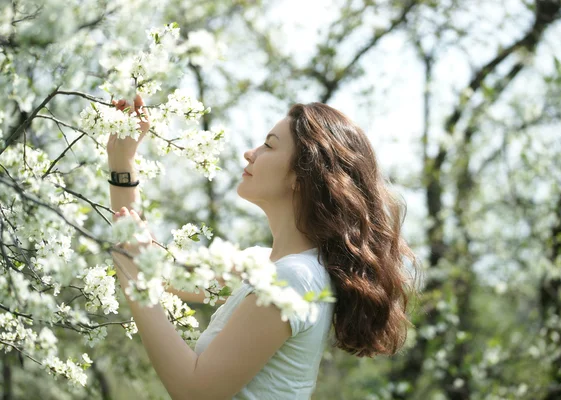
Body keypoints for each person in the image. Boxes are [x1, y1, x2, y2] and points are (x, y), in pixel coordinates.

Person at [108, 95, 420, 400]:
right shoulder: (265, 267)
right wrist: (123, 161)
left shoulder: (293, 278)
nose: (249, 153)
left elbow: (195, 391)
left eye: (269, 145)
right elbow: (159, 273)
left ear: (303, 174)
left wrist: (137, 279)